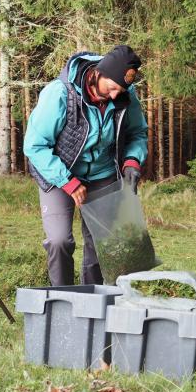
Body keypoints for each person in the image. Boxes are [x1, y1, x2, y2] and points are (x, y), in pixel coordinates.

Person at [24, 45, 148, 286]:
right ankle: (61, 301)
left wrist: (132, 161)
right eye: (112, 88)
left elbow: (137, 133)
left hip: (103, 174)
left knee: (101, 244)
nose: (115, 96)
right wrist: (68, 182)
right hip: (59, 174)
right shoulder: (59, 93)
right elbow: (35, 146)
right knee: (60, 241)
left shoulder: (126, 95)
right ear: (98, 74)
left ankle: (92, 302)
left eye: (121, 91)